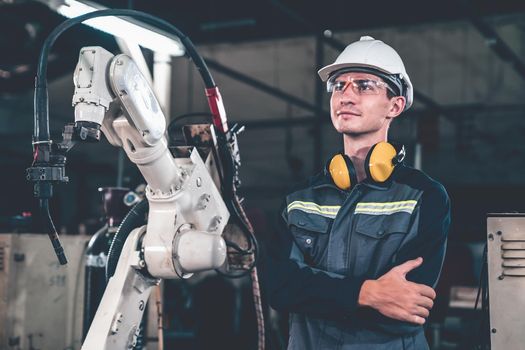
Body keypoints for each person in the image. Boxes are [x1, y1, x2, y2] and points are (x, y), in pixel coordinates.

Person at [261, 36, 451, 349]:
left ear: (395, 105)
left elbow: (405, 308)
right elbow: (278, 288)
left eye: (364, 85)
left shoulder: (424, 196)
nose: (346, 96)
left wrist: (312, 292)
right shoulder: (298, 200)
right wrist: (368, 294)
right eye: (339, 85)